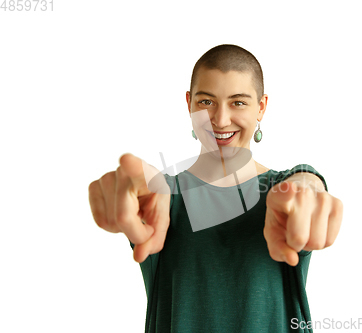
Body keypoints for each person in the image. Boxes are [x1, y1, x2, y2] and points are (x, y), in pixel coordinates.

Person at [88, 44, 343, 333]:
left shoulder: (282, 193)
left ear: (261, 107)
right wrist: (127, 190)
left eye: (238, 102)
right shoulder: (161, 200)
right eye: (207, 102)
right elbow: (141, 189)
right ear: (189, 104)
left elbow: (303, 183)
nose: (221, 120)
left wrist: (309, 186)